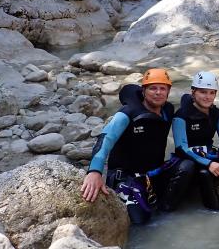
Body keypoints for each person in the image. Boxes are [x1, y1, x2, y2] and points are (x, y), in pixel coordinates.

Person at [81, 68, 190, 224]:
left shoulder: (168, 110)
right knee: (141, 221)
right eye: (153, 88)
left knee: (187, 166)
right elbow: (106, 139)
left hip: (153, 173)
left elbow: (190, 103)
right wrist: (94, 171)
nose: (158, 92)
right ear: (143, 91)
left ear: (168, 91)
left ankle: (166, 212)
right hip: (127, 177)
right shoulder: (128, 112)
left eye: (162, 88)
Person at [170, 71, 219, 210]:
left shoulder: (217, 114)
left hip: (208, 155)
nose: (208, 97)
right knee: (205, 173)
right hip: (189, 161)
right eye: (203, 92)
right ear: (193, 92)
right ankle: (215, 212)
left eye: (212, 93)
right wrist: (209, 164)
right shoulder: (181, 115)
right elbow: (181, 148)